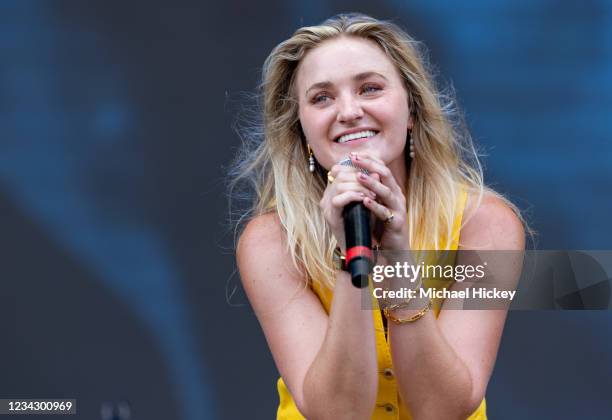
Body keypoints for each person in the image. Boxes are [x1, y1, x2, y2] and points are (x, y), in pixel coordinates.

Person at [231, 13, 526, 420]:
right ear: (301, 130)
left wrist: (398, 259)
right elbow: (337, 413)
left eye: (369, 88)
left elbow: (442, 409)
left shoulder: (485, 224)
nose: (348, 111)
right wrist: (350, 257)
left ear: (412, 111)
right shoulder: (271, 242)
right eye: (321, 98)